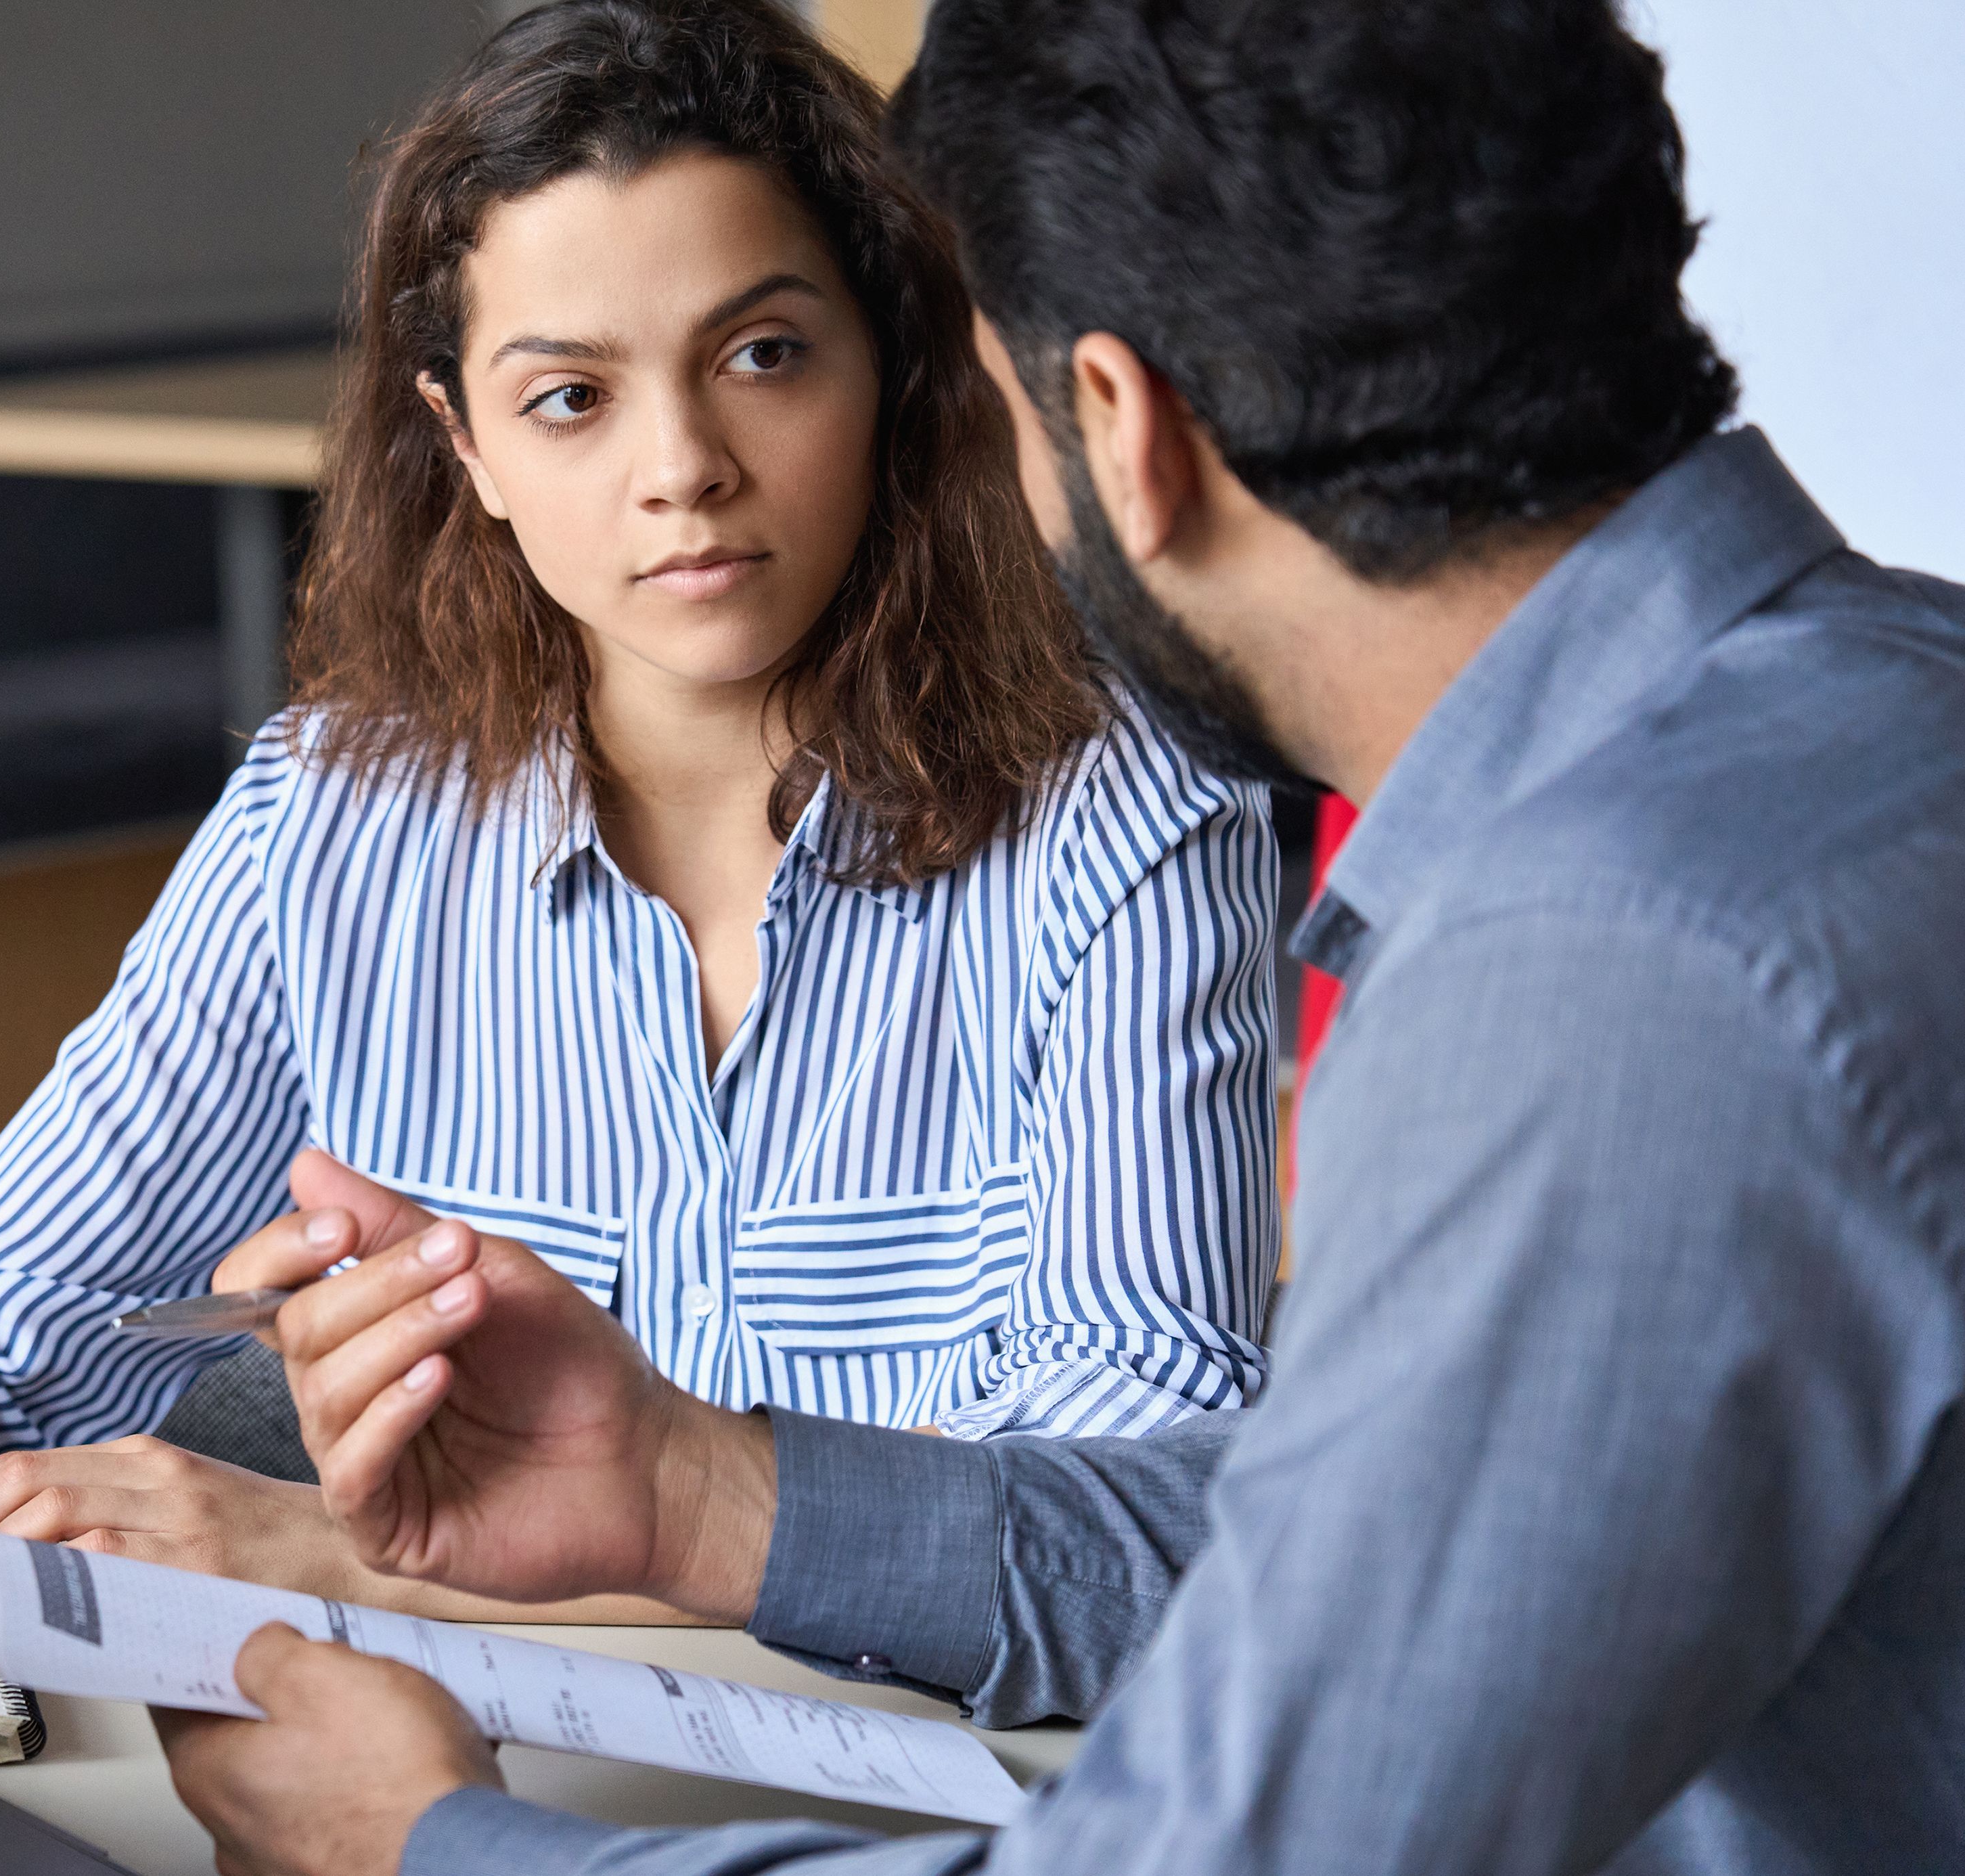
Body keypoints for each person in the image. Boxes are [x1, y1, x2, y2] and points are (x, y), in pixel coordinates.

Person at [145, 0, 1965, 1871]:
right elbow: (1334, 1596)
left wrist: (423, 1845)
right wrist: (697, 1486)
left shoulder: (1605, 986)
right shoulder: (1888, 714)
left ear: (1115, 426)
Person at [0, 0, 1283, 1622]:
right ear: (468, 448)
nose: (680, 464)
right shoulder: (334, 819)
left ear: (890, 368)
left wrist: (370, 1565)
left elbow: (1130, 1527)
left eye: (761, 353)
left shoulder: (1127, 823)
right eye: (569, 398)